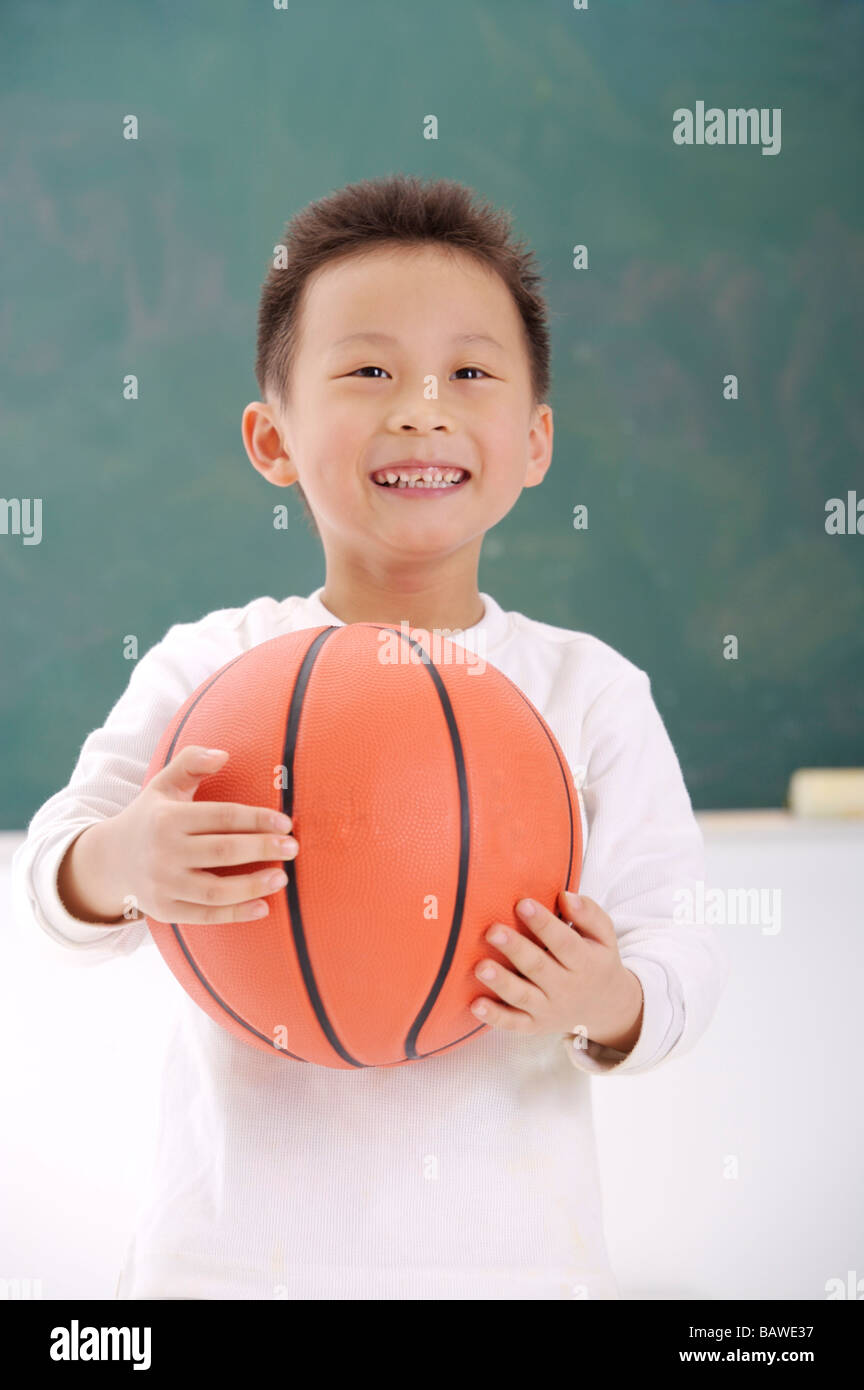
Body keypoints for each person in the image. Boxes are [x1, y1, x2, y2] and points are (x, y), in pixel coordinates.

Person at [11, 173, 727, 1301]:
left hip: (511, 1276)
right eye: (368, 371)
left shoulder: (590, 691)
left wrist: (605, 998)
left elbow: (681, 957)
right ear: (271, 437)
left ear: (535, 441)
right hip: (224, 1275)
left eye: (472, 372)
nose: (422, 406)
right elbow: (54, 876)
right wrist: (120, 862)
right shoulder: (210, 669)